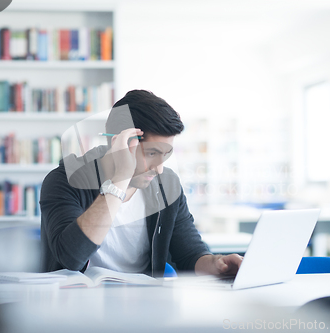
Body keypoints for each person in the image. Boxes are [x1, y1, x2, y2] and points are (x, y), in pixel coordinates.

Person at [40, 90, 243, 276]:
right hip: (78, 306)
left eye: (166, 154)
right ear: (118, 144)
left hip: (145, 304)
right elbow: (71, 258)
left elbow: (190, 255)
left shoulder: (167, 185)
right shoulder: (66, 180)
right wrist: (120, 178)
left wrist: (217, 263)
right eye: (152, 153)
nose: (159, 168)